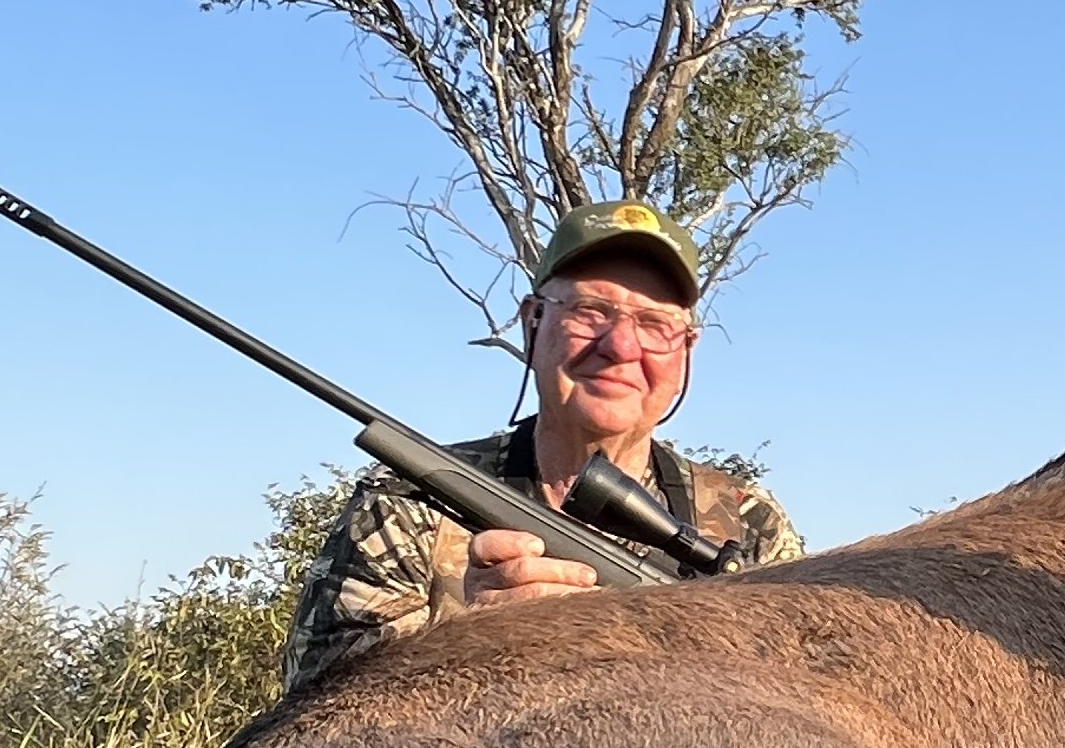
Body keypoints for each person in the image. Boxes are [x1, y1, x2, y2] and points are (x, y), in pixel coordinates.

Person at [280, 202, 800, 694]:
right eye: (590, 311)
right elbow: (318, 727)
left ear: (686, 349)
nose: (620, 346)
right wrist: (469, 652)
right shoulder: (408, 504)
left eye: (655, 324)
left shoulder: (749, 523)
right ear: (533, 322)